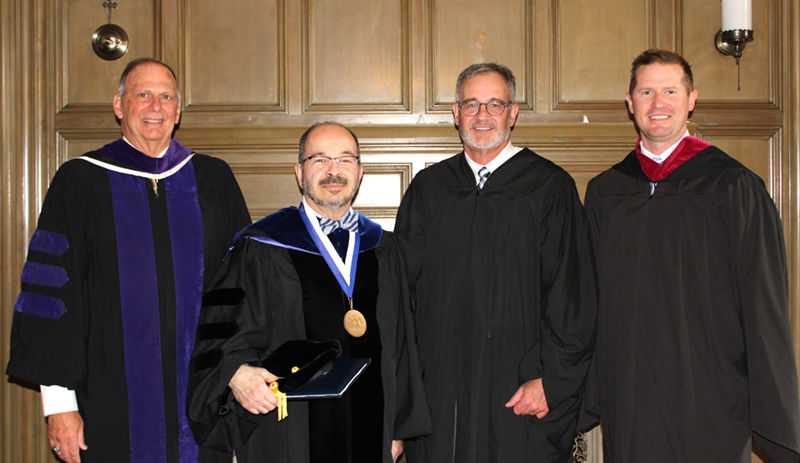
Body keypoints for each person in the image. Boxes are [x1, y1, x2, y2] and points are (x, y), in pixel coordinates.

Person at [6, 57, 251, 463]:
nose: (155, 107)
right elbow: (50, 299)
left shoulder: (213, 180)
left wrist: (240, 378)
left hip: (204, 400)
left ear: (177, 111)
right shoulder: (79, 182)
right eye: (143, 95)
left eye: (165, 97)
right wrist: (59, 405)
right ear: (119, 106)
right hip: (107, 403)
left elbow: (243, 288)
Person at [579, 49, 800, 462]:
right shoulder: (607, 193)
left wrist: (775, 414)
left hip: (711, 394)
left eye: (669, 91)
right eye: (646, 91)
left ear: (691, 99)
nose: (658, 103)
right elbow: (586, 302)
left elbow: (763, 302)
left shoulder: (733, 187)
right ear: (630, 104)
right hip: (630, 397)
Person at [186, 122, 431, 463]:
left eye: (345, 160)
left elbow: (403, 343)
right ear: (299, 172)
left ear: (359, 173)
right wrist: (236, 373)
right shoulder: (261, 245)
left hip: (371, 426)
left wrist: (398, 429)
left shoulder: (382, 247)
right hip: (289, 431)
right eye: (319, 159)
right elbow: (220, 333)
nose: (334, 170)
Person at [393, 63, 596, 462]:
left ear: (513, 113)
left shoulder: (548, 188)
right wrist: (408, 390)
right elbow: (403, 297)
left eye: (494, 104)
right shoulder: (429, 191)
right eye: (471, 104)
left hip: (518, 386)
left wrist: (551, 380)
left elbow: (572, 296)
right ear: (455, 113)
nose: (482, 115)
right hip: (440, 389)